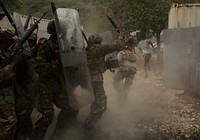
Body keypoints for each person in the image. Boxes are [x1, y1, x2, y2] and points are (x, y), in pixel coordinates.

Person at [31, 19, 78, 140]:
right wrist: (57, 63)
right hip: (45, 86)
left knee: (71, 108)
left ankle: (57, 135)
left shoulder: (65, 45)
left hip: (59, 84)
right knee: (47, 114)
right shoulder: (46, 46)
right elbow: (39, 68)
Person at [84, 33, 123, 138]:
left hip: (89, 80)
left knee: (96, 103)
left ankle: (90, 126)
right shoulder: (98, 48)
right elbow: (118, 46)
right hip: (95, 80)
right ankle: (87, 128)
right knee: (101, 105)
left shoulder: (87, 50)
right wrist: (120, 38)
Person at [0, 27, 22, 140]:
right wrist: (13, 63)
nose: (13, 42)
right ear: (4, 40)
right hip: (2, 97)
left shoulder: (6, 53)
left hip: (8, 95)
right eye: (10, 40)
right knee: (9, 124)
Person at [113, 37, 139, 103]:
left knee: (115, 82)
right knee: (127, 86)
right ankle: (123, 99)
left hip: (124, 69)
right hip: (133, 71)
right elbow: (136, 63)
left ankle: (120, 94)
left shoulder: (121, 53)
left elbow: (118, 62)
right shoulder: (133, 53)